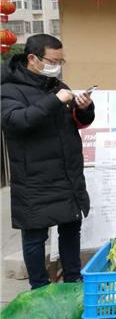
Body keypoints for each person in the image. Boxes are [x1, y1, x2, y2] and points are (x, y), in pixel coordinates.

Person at [1, 34, 94, 289]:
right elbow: (17, 122)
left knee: (70, 229)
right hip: (35, 177)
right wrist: (55, 101)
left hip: (66, 172)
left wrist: (84, 108)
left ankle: (73, 280)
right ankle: (39, 289)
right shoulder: (9, 89)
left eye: (61, 60)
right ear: (32, 58)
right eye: (53, 60)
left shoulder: (55, 85)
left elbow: (75, 123)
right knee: (34, 236)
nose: (58, 65)